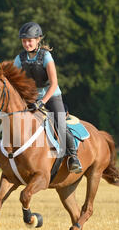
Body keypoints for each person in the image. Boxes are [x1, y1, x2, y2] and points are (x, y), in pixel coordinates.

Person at [13, 22, 82, 173]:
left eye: (29, 40)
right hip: (30, 97)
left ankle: (73, 157)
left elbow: (54, 83)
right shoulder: (19, 58)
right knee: (13, 121)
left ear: (38, 40)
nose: (26, 43)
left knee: (59, 123)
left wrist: (41, 102)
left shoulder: (46, 56)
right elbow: (13, 81)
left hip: (51, 96)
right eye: (24, 41)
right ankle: (9, 157)